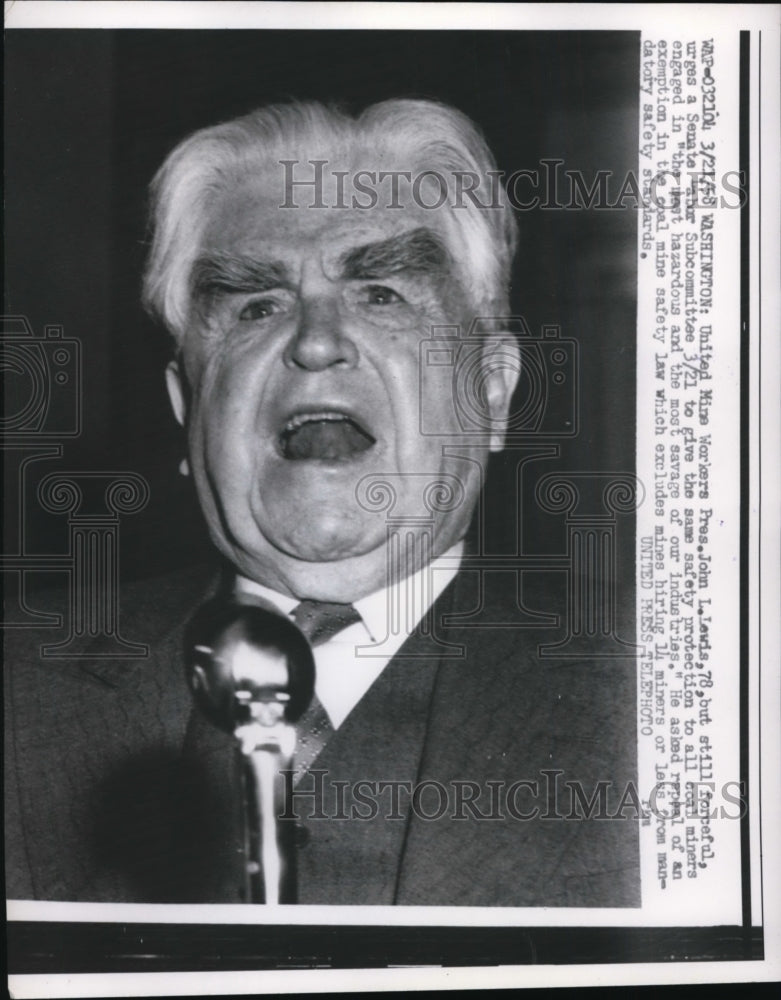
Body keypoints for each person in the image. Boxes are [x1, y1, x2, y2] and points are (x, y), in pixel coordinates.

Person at [5, 99, 639, 906]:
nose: (313, 341)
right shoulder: (19, 690)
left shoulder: (678, 695)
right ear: (185, 402)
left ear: (492, 391)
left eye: (381, 293)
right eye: (255, 306)